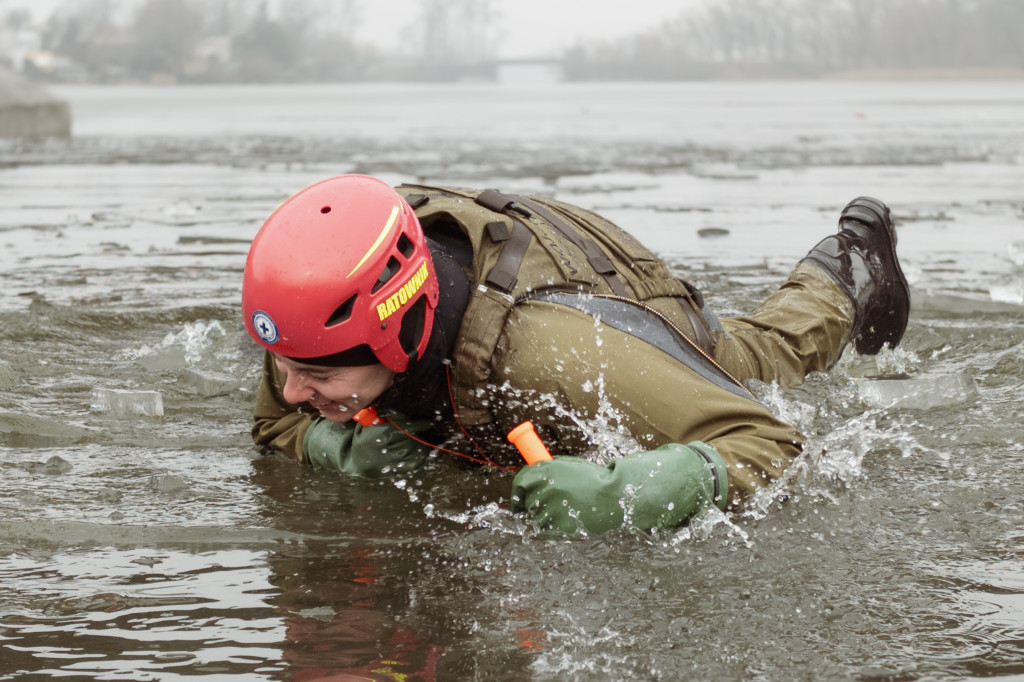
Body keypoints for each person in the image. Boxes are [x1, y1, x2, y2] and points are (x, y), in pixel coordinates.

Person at [242, 175, 909, 535]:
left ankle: (847, 271)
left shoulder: (557, 354)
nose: (294, 391)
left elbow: (772, 442)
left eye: (319, 376)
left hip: (605, 300)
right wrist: (336, 448)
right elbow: (275, 424)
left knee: (750, 358)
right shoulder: (312, 332)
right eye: (286, 367)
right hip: (479, 281)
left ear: (394, 333)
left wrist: (637, 491)